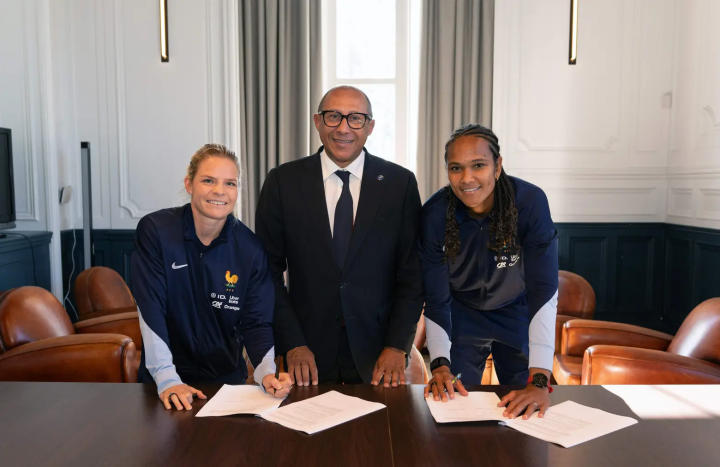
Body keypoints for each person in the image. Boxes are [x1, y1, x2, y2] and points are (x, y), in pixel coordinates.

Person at [255, 86, 424, 387]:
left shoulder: (400, 184)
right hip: (306, 353)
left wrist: (397, 346)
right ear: (317, 121)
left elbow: (413, 274)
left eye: (355, 118)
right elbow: (267, 273)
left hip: (379, 354)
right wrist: (292, 342)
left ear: (370, 126)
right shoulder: (283, 182)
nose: (343, 128)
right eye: (333, 116)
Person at [132, 144, 292, 410]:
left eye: (230, 183)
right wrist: (167, 379)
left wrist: (266, 374)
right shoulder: (156, 231)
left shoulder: (250, 248)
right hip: (163, 382)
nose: (220, 191)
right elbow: (151, 311)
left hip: (224, 385)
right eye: (208, 180)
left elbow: (256, 322)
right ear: (189, 184)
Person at [420, 124, 558, 419]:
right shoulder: (435, 213)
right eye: (456, 168)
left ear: (498, 167)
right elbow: (435, 297)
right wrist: (440, 364)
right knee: (452, 406)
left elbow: (543, 290)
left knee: (525, 410)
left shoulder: (530, 203)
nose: (466, 178)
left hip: (517, 313)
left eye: (478, 165)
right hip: (462, 315)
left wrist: (539, 381)